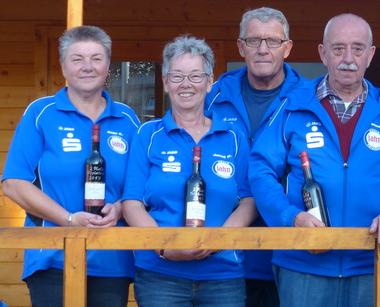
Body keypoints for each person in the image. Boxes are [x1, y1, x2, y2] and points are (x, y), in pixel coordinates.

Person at [248, 13, 380, 307]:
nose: (348, 59)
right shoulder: (292, 106)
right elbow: (260, 168)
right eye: (338, 48)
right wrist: (290, 217)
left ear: (370, 55)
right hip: (302, 265)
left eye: (358, 48)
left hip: (371, 263)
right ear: (323, 53)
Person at [2, 25, 140, 307]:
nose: (87, 67)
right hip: (51, 256)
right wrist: (68, 219)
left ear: (108, 65)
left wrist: (120, 208)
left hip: (112, 257)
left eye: (96, 58)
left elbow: (141, 184)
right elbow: (14, 183)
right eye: (77, 59)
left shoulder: (128, 120)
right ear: (63, 66)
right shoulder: (41, 113)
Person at [122, 35, 257, 307]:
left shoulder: (233, 137)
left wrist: (219, 239)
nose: (186, 84)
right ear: (165, 81)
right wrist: (164, 246)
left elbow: (249, 200)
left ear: (209, 82)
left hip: (223, 276)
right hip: (160, 276)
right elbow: (131, 203)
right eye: (177, 76)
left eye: (195, 76)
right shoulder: (148, 135)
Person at [205, 7, 306, 307]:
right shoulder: (213, 97)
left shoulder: (308, 98)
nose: (263, 49)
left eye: (273, 41)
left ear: (287, 48)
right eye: (254, 41)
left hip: (290, 249)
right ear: (241, 46)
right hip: (223, 253)